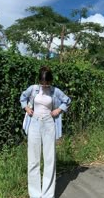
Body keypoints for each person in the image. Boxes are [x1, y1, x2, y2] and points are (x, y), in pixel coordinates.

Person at [20, 66, 71, 198]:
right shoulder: (33, 89)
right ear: (39, 80)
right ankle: (35, 194)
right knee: (33, 160)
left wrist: (58, 110)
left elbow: (67, 100)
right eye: (43, 82)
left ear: (51, 80)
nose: (45, 85)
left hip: (49, 123)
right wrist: (26, 107)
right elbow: (22, 97)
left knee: (49, 160)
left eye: (47, 82)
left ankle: (48, 195)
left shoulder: (55, 91)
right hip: (34, 123)